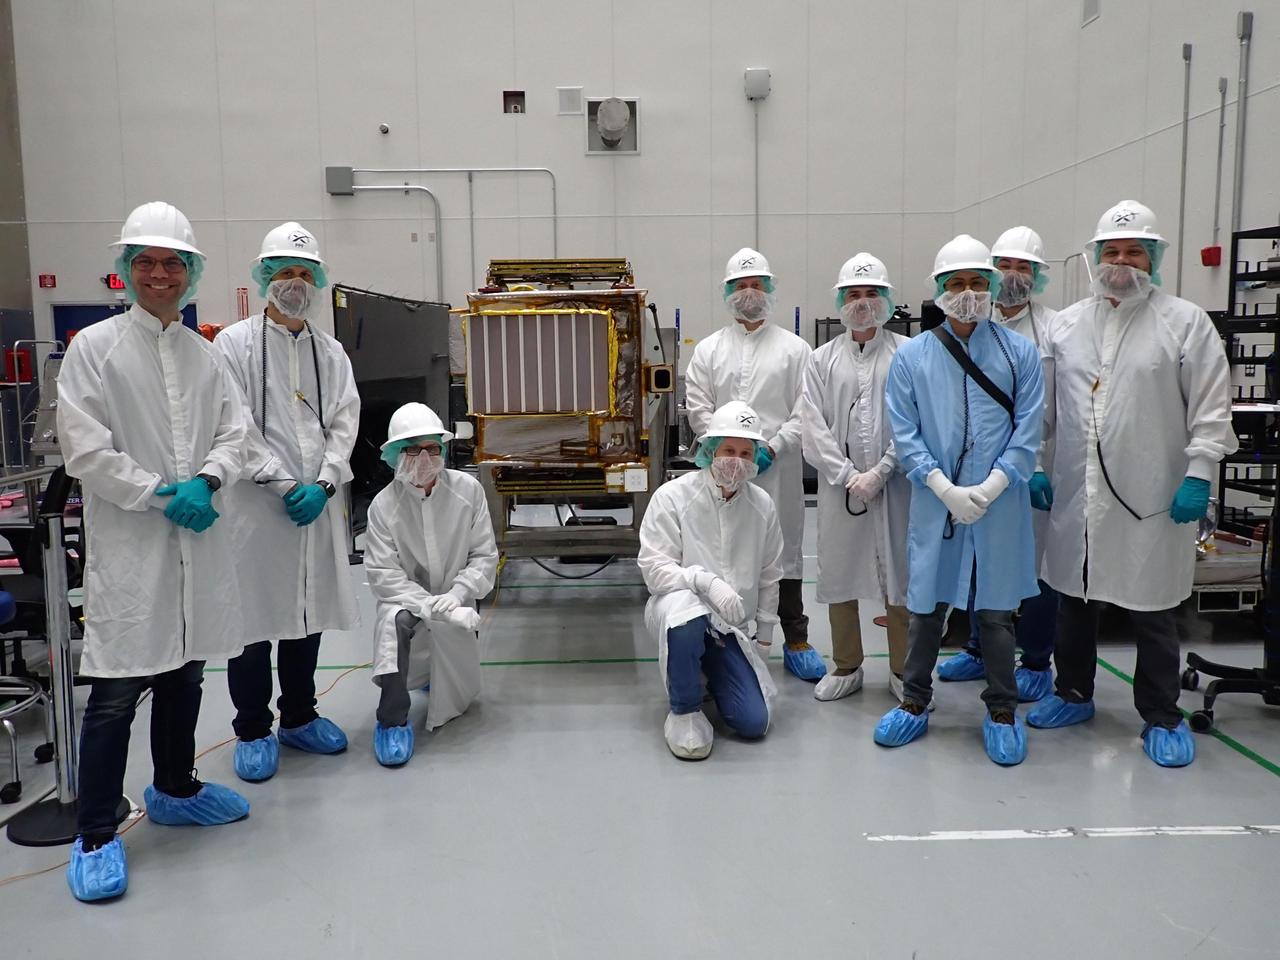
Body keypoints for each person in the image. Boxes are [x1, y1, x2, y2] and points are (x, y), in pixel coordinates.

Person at [57, 202, 251, 902]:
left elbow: (235, 434)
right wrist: (162, 495)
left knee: (186, 672)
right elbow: (86, 449)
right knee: (114, 694)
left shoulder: (205, 353)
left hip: (194, 549)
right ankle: (96, 831)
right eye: (146, 261)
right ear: (125, 271)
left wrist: (207, 480)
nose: (160, 274)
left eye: (173, 263)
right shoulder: (94, 350)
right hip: (134, 548)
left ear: (192, 272)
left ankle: (174, 786)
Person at [1029, 200, 1237, 768]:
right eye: (1112, 251)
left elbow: (1212, 412)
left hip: (1155, 495)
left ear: (1154, 258)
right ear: (1096, 257)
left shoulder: (1185, 323)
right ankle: (1074, 692)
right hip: (1078, 493)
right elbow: (1046, 411)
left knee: (1152, 605)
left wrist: (1198, 476)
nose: (1122, 261)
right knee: (1075, 594)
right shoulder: (1067, 325)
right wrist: (1039, 466)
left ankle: (1161, 713)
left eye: (1134, 251)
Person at [874, 235, 1044, 766]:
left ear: (991, 287)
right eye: (956, 284)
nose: (967, 293)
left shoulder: (1021, 353)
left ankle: (1000, 710)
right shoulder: (913, 357)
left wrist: (992, 486)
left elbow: (1028, 429)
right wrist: (944, 488)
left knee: (995, 614)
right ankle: (914, 701)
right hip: (935, 503)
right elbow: (905, 434)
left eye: (977, 283)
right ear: (939, 291)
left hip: (1000, 504)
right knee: (927, 607)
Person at [215, 222, 361, 782]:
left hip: (317, 505)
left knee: (306, 613)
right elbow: (234, 426)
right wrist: (282, 484)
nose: (294, 283)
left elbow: (345, 422)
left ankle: (299, 716)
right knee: (253, 621)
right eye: (283, 272)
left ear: (317, 281)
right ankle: (251, 727)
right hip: (255, 510)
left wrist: (324, 484)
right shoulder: (232, 345)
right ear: (263, 279)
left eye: (304, 273)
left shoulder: (332, 352)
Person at [685, 249, 821, 682]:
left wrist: (773, 448)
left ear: (771, 290)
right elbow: (697, 407)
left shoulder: (796, 350)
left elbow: (806, 411)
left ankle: (795, 637)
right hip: (719, 471)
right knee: (720, 548)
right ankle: (718, 633)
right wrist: (726, 450)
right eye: (740, 285)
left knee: (785, 552)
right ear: (728, 293)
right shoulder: (708, 349)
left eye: (757, 284)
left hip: (776, 471)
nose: (749, 293)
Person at [938, 226, 1060, 702]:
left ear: (1037, 276)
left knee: (1033, 567)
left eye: (1022, 267)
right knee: (975, 559)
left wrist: (1037, 466)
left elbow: (1057, 408)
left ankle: (1034, 659)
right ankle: (976, 648)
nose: (1011, 275)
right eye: (1003, 266)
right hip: (974, 472)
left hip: (1033, 470)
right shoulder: (971, 329)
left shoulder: (1055, 330)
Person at [639, 401, 782, 760]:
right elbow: (654, 569)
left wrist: (763, 640)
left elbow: (769, 575)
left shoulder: (762, 506)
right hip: (676, 613)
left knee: (753, 722)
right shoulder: (673, 497)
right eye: (728, 450)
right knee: (686, 614)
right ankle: (685, 709)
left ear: (757, 459)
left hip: (730, 628)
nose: (737, 460)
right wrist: (702, 580)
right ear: (708, 450)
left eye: (746, 452)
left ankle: (704, 671)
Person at [799, 253, 911, 703]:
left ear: (886, 300)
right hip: (838, 489)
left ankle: (906, 671)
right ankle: (847, 666)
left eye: (871, 294)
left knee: (901, 575)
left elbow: (915, 421)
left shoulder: (908, 354)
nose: (862, 303)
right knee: (840, 570)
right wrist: (847, 476)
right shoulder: (820, 360)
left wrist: (883, 469)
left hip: (898, 486)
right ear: (840, 302)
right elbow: (812, 426)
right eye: (853, 294)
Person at [363, 403, 498, 767]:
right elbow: (383, 575)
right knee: (395, 626)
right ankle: (392, 720)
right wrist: (427, 604)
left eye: (432, 448)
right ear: (393, 456)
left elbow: (484, 556)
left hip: (457, 593)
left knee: (458, 691)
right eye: (412, 450)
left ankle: (436, 677)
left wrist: (456, 596)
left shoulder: (467, 492)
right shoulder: (383, 508)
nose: (424, 459)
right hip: (404, 598)